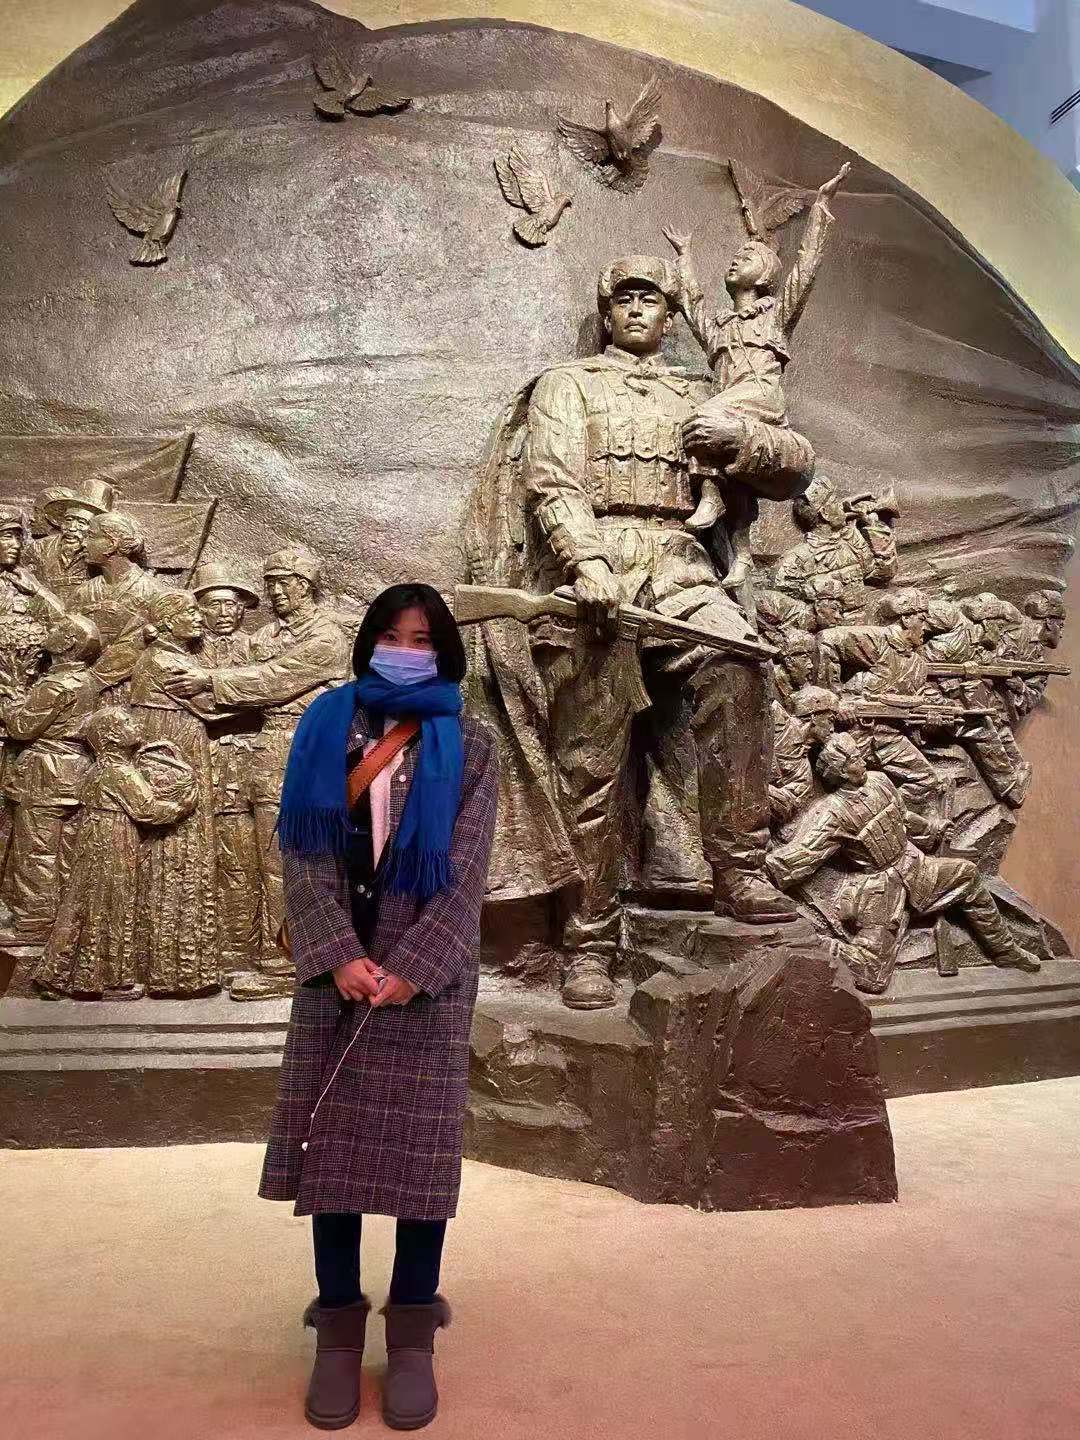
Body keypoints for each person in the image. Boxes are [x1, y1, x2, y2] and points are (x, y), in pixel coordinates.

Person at [258, 583, 498, 1432]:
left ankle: (412, 1334)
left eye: (422, 639)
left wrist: (413, 968)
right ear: (368, 642)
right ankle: (336, 1330)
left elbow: (468, 871)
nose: (406, 650)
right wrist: (336, 954)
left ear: (444, 651)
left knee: (419, 1171)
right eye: (393, 635)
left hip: (425, 987)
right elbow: (302, 851)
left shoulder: (472, 742)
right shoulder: (326, 726)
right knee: (333, 1164)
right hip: (339, 980)